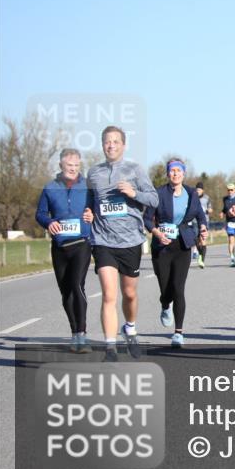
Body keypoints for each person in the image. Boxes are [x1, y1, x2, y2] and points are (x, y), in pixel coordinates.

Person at [81, 126, 159, 361]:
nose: (111, 145)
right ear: (102, 145)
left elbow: (153, 199)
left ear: (123, 145)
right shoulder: (93, 173)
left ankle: (131, 329)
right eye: (107, 141)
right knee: (108, 293)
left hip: (131, 241)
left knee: (129, 293)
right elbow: (89, 202)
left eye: (116, 141)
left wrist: (134, 193)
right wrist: (88, 212)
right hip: (103, 240)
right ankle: (110, 348)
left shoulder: (135, 170)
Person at [144, 159, 209, 347]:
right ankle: (165, 305)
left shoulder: (191, 193)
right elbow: (147, 220)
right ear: (167, 174)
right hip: (162, 246)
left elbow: (200, 215)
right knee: (166, 288)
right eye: (172, 171)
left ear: (183, 174)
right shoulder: (158, 193)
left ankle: (178, 332)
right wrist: (157, 232)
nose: (175, 174)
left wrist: (203, 227)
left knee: (178, 288)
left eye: (178, 171)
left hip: (182, 244)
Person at [35, 148, 93, 353]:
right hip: (60, 246)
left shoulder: (87, 186)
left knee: (77, 284)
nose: (73, 169)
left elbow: (96, 208)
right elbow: (40, 213)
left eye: (77, 165)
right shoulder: (50, 187)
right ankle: (75, 333)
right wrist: (49, 222)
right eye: (70, 165)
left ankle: (83, 335)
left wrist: (91, 213)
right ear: (61, 165)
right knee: (65, 291)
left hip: (82, 243)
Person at [192, 182, 212, 269]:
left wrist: (208, 210)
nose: (198, 191)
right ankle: (200, 253)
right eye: (197, 189)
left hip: (204, 221)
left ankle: (202, 261)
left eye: (199, 189)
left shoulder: (207, 198)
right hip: (194, 221)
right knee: (196, 240)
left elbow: (210, 209)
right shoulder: (192, 197)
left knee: (203, 239)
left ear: (202, 190)